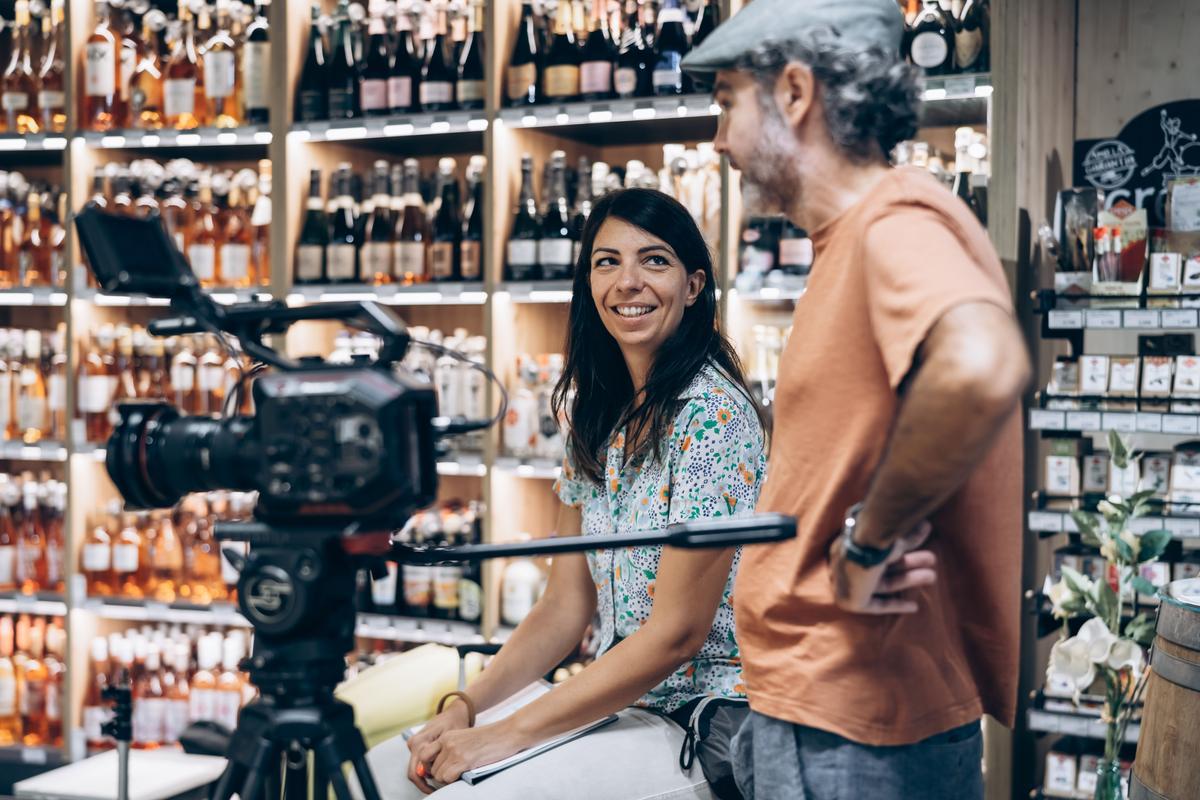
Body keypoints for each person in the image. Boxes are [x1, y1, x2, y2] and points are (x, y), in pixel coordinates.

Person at [681, 2, 1030, 799]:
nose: (719, 139)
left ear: (794, 92)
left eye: (728, 101)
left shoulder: (890, 220)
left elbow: (981, 363)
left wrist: (867, 545)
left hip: (851, 720)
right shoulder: (853, 236)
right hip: (837, 711)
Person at [366, 188, 768, 799]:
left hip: (701, 716)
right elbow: (563, 607)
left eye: (654, 260)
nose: (628, 282)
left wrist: (506, 735)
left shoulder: (713, 415)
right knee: (377, 776)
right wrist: (467, 707)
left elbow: (677, 634)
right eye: (607, 262)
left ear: (693, 286)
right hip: (619, 703)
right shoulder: (596, 415)